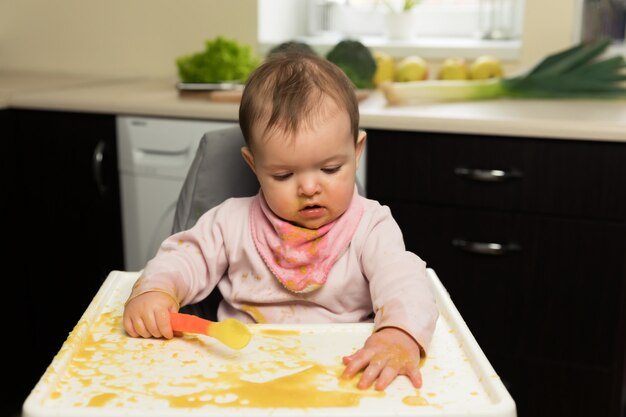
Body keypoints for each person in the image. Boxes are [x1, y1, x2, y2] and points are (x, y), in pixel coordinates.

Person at [123, 51, 438, 391]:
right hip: (239, 371)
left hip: (342, 373)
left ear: (356, 151)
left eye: (330, 169)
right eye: (284, 174)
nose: (309, 188)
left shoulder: (370, 226)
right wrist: (156, 291)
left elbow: (404, 281)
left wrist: (397, 334)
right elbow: (184, 257)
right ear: (253, 164)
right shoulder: (231, 222)